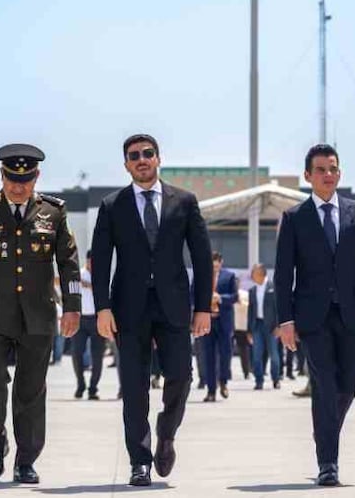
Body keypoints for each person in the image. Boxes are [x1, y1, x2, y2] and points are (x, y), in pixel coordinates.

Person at [0, 143, 81, 485]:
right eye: (11, 178)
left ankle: (25, 460)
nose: (18, 186)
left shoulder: (54, 212)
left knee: (31, 390)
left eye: (25, 179)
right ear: (2, 176)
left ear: (36, 177)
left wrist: (73, 308)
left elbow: (68, 264)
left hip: (38, 315)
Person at [91, 134, 213, 487]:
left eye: (148, 154)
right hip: (129, 310)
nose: (142, 159)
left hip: (174, 306)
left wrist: (203, 306)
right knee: (134, 386)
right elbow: (100, 261)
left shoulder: (184, 202)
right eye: (134, 156)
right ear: (126, 164)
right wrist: (102, 308)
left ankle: (167, 432)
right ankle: (139, 460)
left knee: (181, 376)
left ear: (158, 158)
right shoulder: (113, 205)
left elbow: (202, 257)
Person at [275, 144, 355, 487]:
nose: (327, 175)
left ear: (340, 173)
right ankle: (328, 462)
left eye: (333, 168)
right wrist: (286, 321)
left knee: (349, 384)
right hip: (313, 318)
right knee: (324, 385)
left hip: (353, 314)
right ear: (308, 176)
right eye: (320, 169)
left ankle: (326, 434)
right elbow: (283, 273)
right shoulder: (295, 218)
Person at [201, 252, 238, 401]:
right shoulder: (202, 275)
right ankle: (211, 391)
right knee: (208, 356)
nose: (214, 268)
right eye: (212, 266)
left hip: (224, 321)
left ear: (221, 263)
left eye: (217, 266)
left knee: (225, 354)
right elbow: (192, 294)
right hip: (207, 322)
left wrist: (220, 298)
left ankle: (223, 382)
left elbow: (235, 297)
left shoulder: (229, 276)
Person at [72, 251, 106, 400]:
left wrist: (91, 286)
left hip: (97, 319)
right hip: (81, 319)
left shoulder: (102, 276)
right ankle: (80, 384)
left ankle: (93, 388)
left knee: (97, 355)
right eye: (90, 261)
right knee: (76, 353)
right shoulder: (79, 274)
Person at [247, 264, 281, 390]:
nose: (252, 275)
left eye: (254, 273)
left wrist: (279, 325)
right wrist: (249, 330)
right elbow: (250, 311)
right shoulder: (252, 290)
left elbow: (279, 308)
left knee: (274, 355)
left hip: (272, 327)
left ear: (261, 273)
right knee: (256, 355)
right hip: (257, 325)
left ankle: (276, 379)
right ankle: (259, 380)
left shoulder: (273, 288)